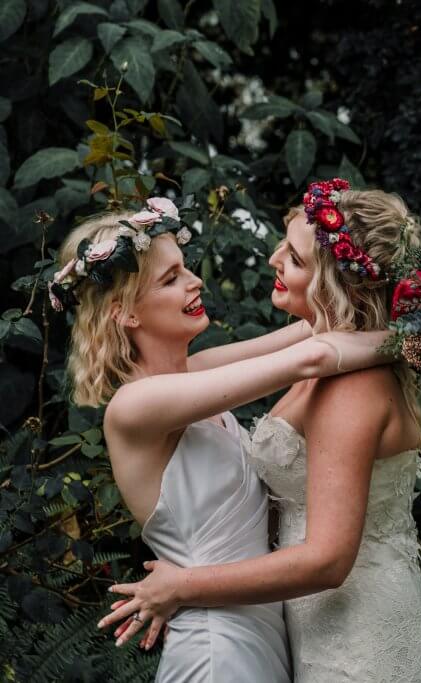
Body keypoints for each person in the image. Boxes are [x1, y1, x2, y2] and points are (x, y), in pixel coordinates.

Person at [102, 182, 421, 682]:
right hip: (305, 631)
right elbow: (313, 342)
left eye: (295, 258)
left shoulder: (346, 388)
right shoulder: (173, 391)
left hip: (358, 642)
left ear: (333, 284)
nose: (273, 260)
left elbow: (327, 557)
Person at [55, 203, 391, 682]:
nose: (195, 283)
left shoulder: (198, 372)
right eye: (170, 279)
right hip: (215, 645)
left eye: (186, 268)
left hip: (260, 630)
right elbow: (311, 358)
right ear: (125, 313)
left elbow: (310, 329)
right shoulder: (133, 408)